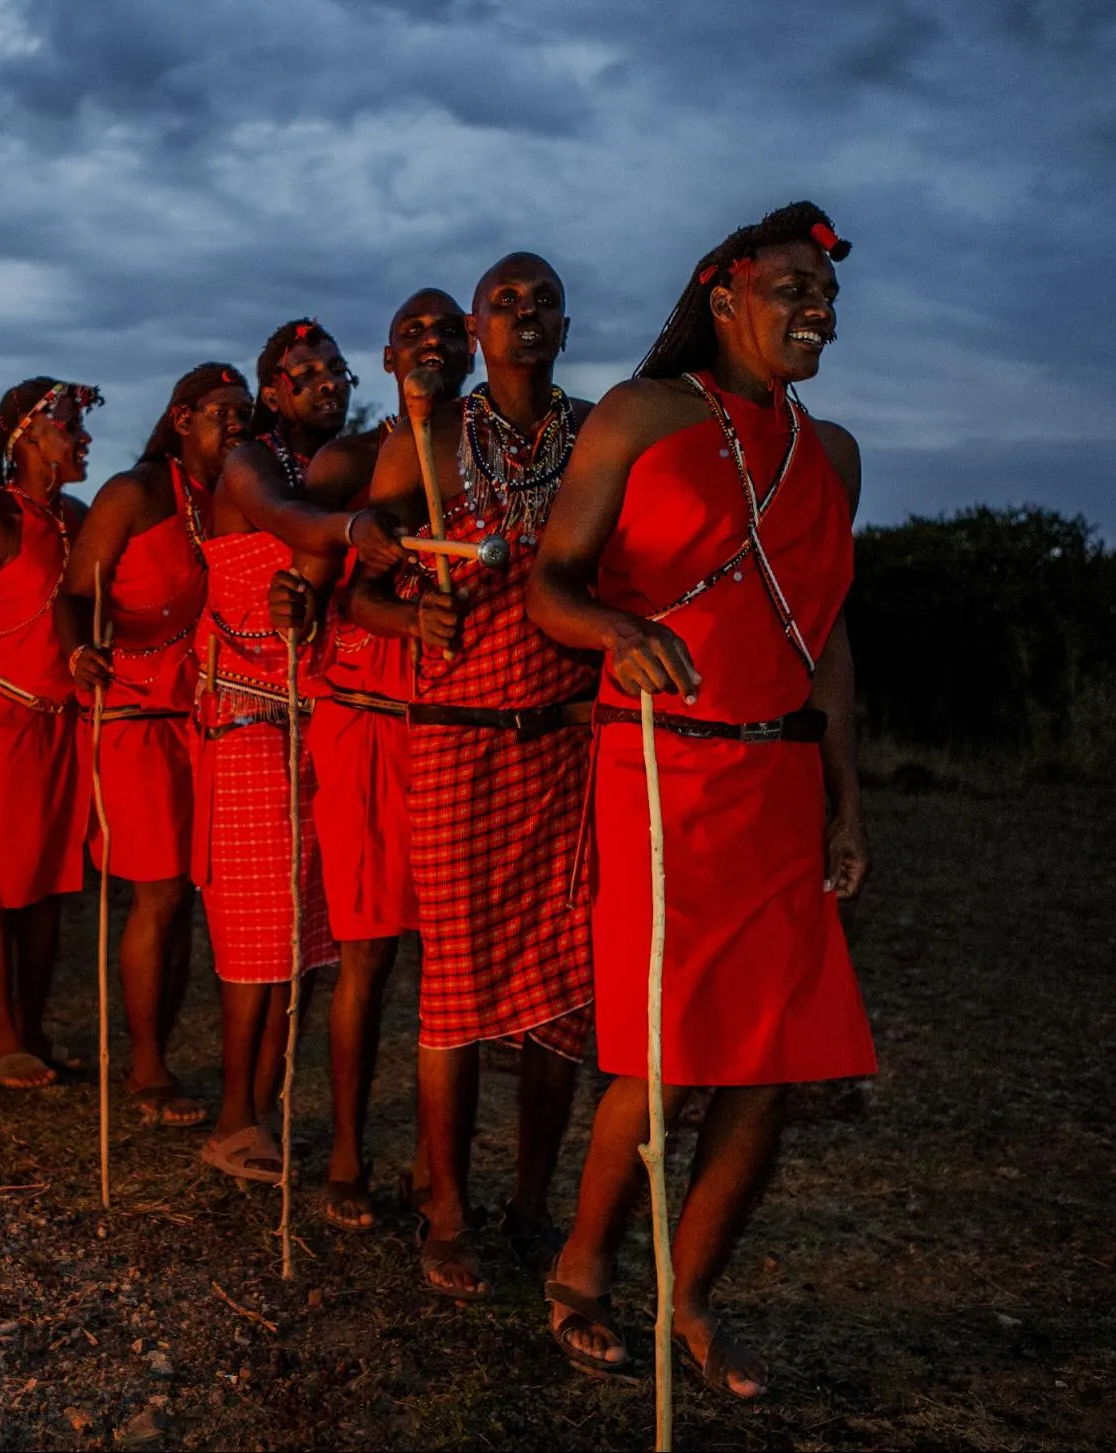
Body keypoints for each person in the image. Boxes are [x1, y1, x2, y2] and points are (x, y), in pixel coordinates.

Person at [527, 202, 875, 1398]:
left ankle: (695, 1295)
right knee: (665, 1057)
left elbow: (821, 638)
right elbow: (550, 588)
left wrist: (845, 799)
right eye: (790, 286)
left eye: (824, 292)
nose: (815, 307)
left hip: (781, 779)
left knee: (769, 1064)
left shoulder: (832, 455)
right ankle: (581, 1272)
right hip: (662, 763)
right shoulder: (640, 417)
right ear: (722, 295)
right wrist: (616, 630)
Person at [348, 256, 600, 1296]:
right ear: (477, 327)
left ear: (564, 324)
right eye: (505, 304)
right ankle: (444, 1204)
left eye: (542, 302)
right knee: (452, 981)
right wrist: (415, 612)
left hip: (565, 740)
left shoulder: (597, 436)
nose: (525, 316)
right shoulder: (436, 439)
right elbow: (356, 592)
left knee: (563, 990)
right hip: (452, 732)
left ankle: (532, 1200)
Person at [195, 318, 405, 1184]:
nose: (324, 379)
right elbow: (291, 523)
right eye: (302, 371)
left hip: (321, 712)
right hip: (246, 716)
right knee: (257, 937)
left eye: (333, 368)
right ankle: (233, 1117)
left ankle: (271, 1103)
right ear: (273, 393)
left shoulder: (354, 462)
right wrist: (360, 525)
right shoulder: (251, 467)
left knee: (309, 933)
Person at [281, 289, 470, 1231]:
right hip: (364, 715)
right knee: (368, 957)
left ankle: (442, 1174)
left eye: (445, 331)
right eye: (411, 332)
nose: (429, 343)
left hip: (457, 725)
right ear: (389, 356)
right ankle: (348, 1154)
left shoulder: (495, 457)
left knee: (456, 962)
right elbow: (326, 590)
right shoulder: (350, 461)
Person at [60, 363, 252, 1130]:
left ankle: (160, 1053)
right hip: (134, 713)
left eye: (245, 414)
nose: (237, 425)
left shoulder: (234, 497)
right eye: (222, 413)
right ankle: (145, 1067)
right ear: (181, 418)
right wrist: (81, 653)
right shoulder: (134, 493)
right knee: (161, 891)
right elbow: (75, 593)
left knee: (189, 897)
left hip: (199, 715)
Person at [0, 378, 101, 1091]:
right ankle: (1, 1037)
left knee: (48, 886)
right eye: (70, 427)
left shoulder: (74, 514)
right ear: (28, 440)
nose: (83, 438)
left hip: (61, 724)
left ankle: (32, 1028)